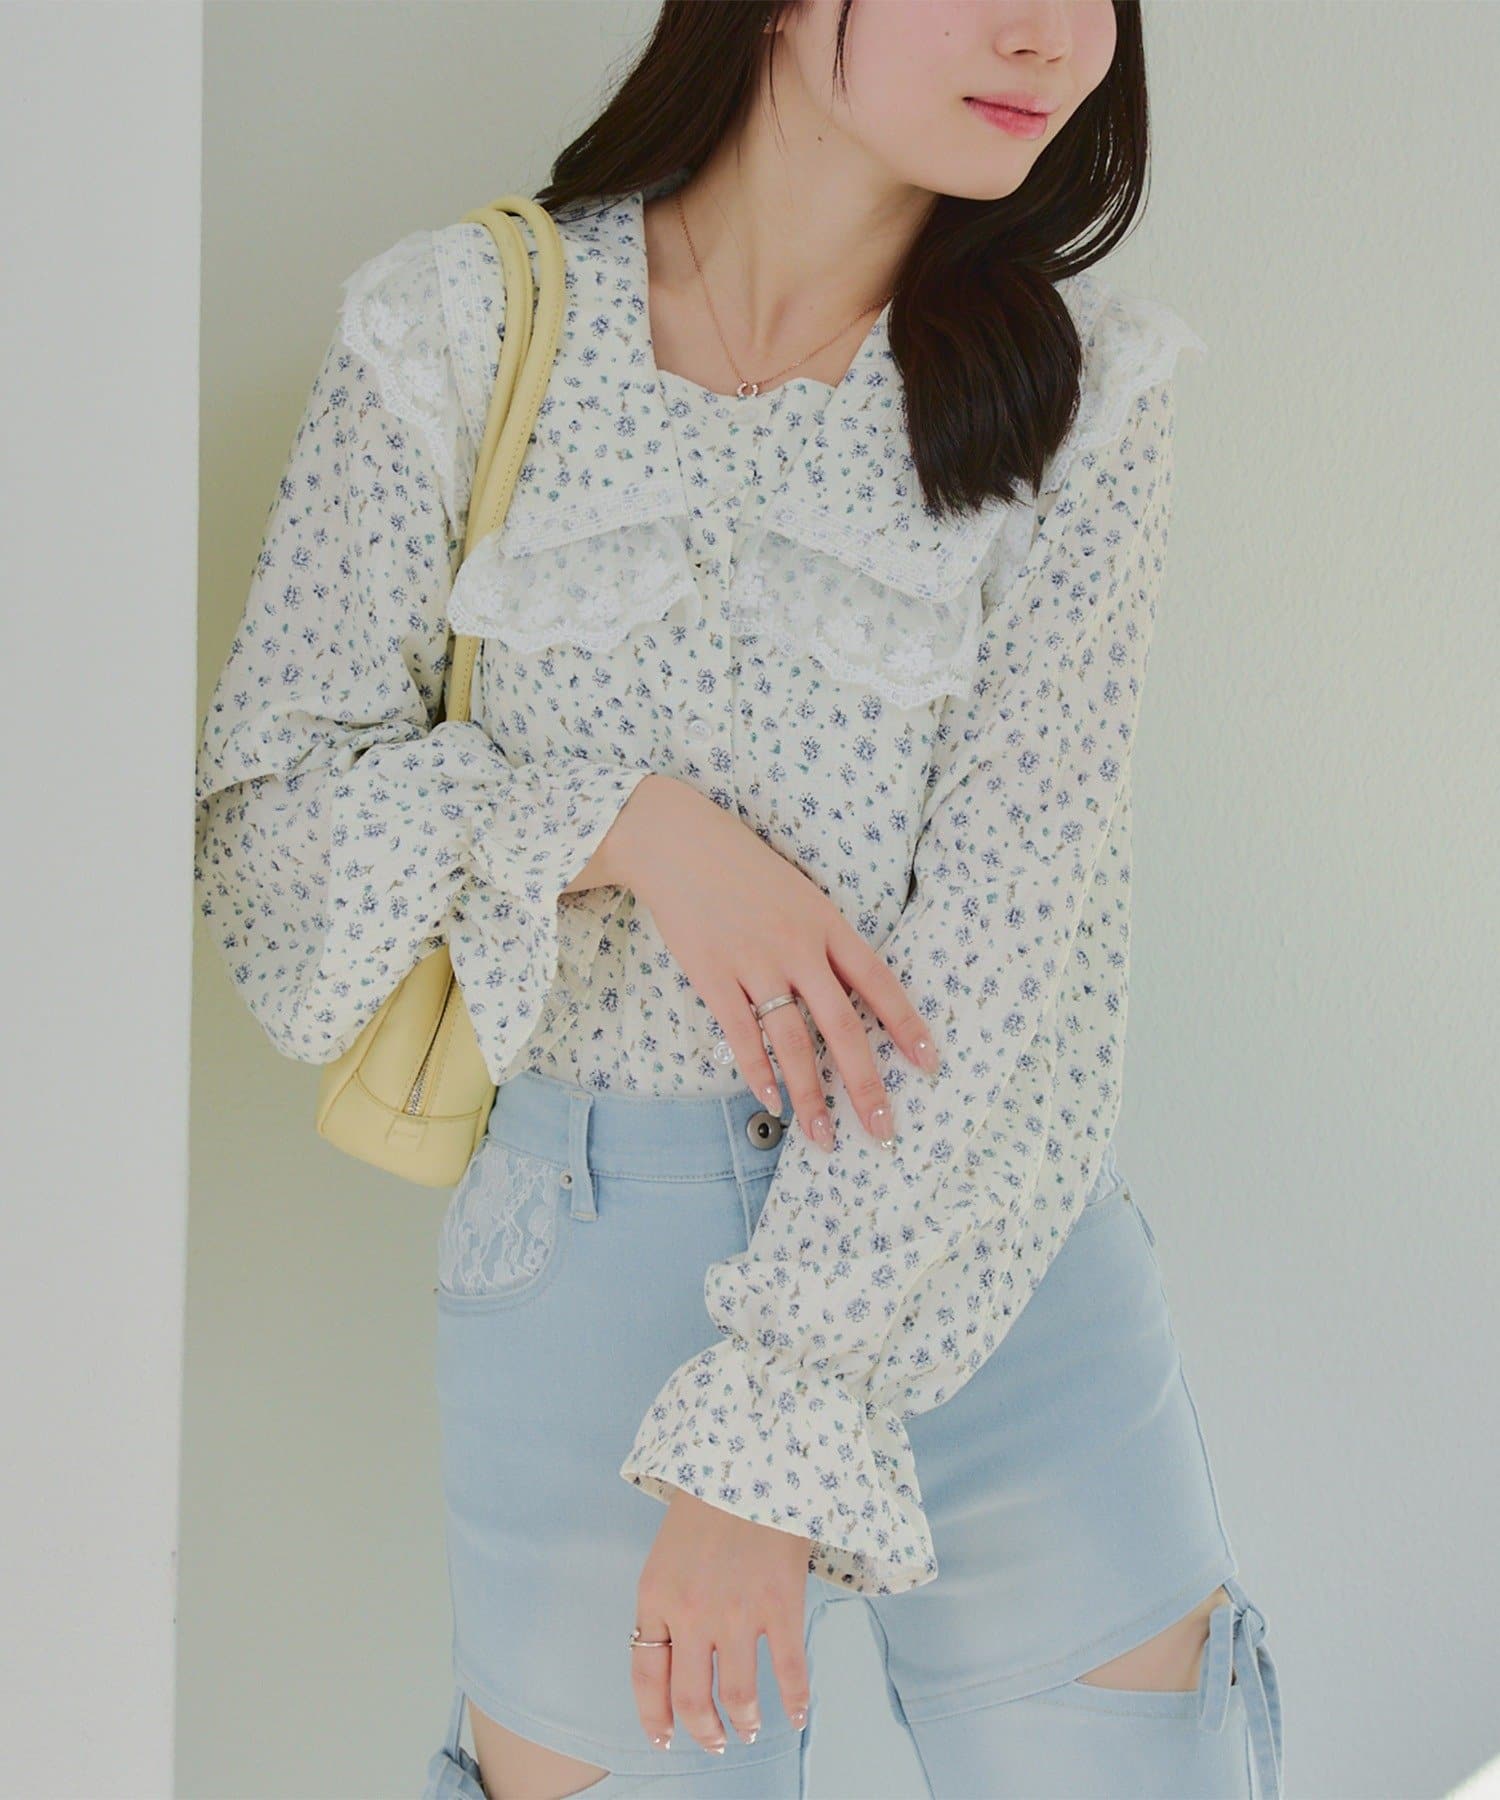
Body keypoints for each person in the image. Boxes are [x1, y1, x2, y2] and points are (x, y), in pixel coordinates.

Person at [193, 3, 1284, 1795]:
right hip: (590, 1280)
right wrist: (624, 827)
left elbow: (1011, 947)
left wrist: (777, 1412)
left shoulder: (1087, 394)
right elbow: (269, 842)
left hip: (987, 1271)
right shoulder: (461, 331)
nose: (1047, 35)